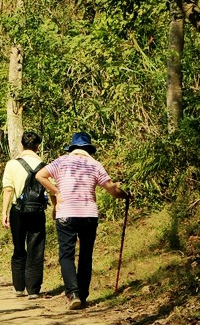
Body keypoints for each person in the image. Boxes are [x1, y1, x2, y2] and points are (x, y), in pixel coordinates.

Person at [35, 132, 130, 310]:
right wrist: (125, 195)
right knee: (86, 254)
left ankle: (73, 293)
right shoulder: (95, 164)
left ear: (72, 148)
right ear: (88, 149)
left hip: (66, 214)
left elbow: (40, 175)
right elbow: (112, 189)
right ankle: (83, 295)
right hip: (88, 215)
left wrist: (56, 192)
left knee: (66, 254)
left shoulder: (61, 161)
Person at [1, 131, 47, 299]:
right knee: (36, 249)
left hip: (17, 211)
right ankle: (33, 290)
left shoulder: (12, 164)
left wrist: (3, 212)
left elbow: (8, 189)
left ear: (21, 145)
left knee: (19, 247)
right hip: (37, 211)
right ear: (37, 147)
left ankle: (19, 287)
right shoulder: (43, 165)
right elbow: (51, 189)